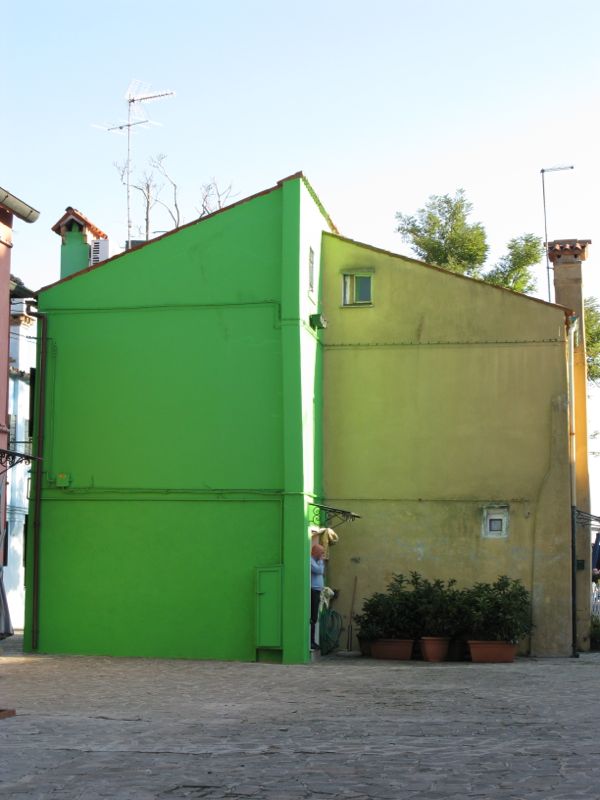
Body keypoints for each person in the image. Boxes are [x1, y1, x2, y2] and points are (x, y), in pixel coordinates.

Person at [310, 544, 325, 650]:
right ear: (315, 552)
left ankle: (313, 641)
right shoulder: (310, 560)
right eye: (321, 552)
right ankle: (311, 641)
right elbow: (319, 571)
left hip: (317, 591)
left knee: (315, 617)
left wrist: (320, 561)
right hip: (313, 591)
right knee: (313, 617)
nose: (322, 554)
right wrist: (321, 562)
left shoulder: (317, 561)